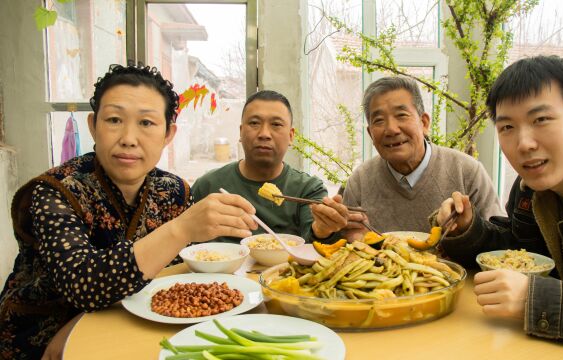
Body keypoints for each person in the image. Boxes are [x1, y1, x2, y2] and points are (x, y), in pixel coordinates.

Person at [0, 64, 257, 360]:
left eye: (146, 123)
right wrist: (181, 229)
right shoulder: (55, 191)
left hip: (133, 324)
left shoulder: (173, 190)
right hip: (44, 338)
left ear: (168, 133)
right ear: (93, 125)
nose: (129, 138)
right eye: (114, 120)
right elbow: (81, 285)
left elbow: (171, 277)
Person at [434, 55, 563, 350]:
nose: (524, 144)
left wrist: (536, 299)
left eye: (540, 120)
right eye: (507, 127)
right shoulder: (528, 190)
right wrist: (467, 229)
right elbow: (518, 250)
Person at [340, 76, 503, 239]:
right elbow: (347, 244)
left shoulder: (467, 171)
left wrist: (467, 230)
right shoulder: (360, 182)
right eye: (379, 120)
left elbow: (499, 240)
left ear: (424, 123)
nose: (391, 129)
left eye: (401, 115)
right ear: (370, 134)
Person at [191, 90, 348, 243]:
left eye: (276, 124)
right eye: (254, 123)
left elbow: (316, 245)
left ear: (291, 136)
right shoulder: (208, 186)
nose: (264, 133)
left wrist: (322, 229)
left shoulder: (308, 189)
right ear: (240, 132)